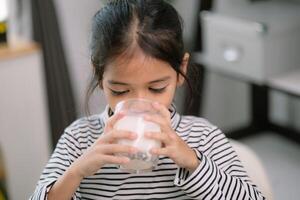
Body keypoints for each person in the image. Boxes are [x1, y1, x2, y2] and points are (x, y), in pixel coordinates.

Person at [31, 0, 265, 199]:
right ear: (99, 75)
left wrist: (194, 162)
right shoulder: (80, 138)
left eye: (157, 88)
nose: (141, 104)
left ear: (180, 70)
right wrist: (77, 172)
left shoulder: (203, 137)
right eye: (121, 91)